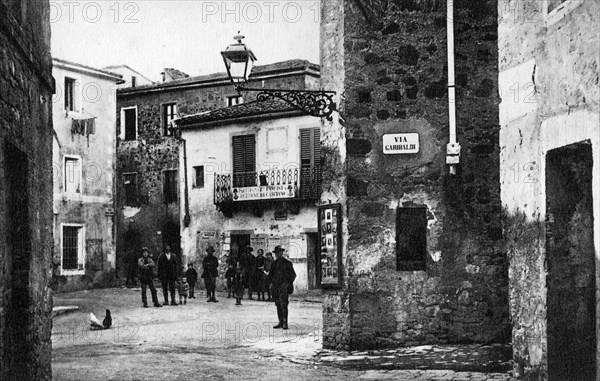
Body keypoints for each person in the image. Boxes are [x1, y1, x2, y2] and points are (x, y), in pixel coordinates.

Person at [269, 245, 296, 330]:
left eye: (279, 252)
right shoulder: (274, 263)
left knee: (284, 304)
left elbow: (293, 275)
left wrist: (287, 284)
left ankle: (285, 323)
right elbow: (270, 275)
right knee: (278, 304)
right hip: (276, 287)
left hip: (284, 287)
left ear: (282, 253)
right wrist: (272, 283)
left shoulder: (288, 263)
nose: (277, 254)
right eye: (276, 253)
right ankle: (280, 322)